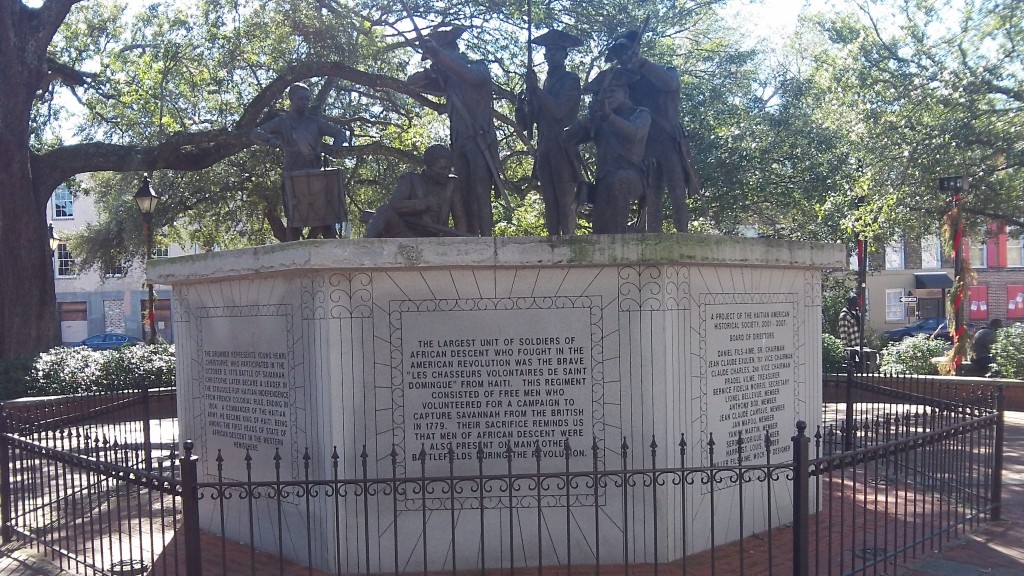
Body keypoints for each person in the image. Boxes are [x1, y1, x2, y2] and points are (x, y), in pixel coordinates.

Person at [408, 27, 503, 236]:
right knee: (465, 193)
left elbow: (471, 76)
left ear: (452, 51)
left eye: (440, 56)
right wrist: (432, 71)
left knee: (480, 192)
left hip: (480, 141)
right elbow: (411, 83)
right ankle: (469, 238)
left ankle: (487, 240)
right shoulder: (448, 79)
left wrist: (440, 56)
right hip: (459, 142)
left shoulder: (478, 68)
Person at [604, 30, 701, 233]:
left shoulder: (663, 71)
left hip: (669, 141)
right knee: (651, 197)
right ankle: (652, 235)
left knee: (677, 192)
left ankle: (683, 234)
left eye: (626, 52)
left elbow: (670, 83)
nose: (623, 59)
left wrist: (642, 63)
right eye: (620, 56)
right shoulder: (626, 85)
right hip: (645, 147)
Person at [251, 83, 349, 241]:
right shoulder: (282, 122)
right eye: (301, 98)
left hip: (316, 178)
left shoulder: (315, 122)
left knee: (327, 222)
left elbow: (340, 133)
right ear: (292, 99)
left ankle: (336, 261)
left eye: (308, 99)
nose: (305, 102)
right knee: (294, 224)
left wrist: (334, 149)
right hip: (293, 177)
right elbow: (255, 133)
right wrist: (274, 142)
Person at [517, 29, 584, 236]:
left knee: (565, 199)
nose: (550, 55)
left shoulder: (570, 80)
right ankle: (553, 241)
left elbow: (559, 110)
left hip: (563, 147)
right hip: (545, 147)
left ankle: (569, 241)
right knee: (549, 199)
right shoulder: (543, 84)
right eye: (547, 51)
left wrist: (536, 90)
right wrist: (522, 105)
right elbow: (528, 124)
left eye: (555, 51)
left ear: (564, 54)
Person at [568, 69, 650, 234]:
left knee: (619, 181)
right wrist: (587, 120)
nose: (608, 97)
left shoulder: (640, 113)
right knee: (600, 228)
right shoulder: (599, 119)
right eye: (604, 95)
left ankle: (623, 232)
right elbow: (567, 138)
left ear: (625, 93)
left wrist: (609, 117)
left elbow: (634, 132)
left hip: (632, 176)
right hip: (604, 179)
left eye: (612, 92)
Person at [365, 145, 466, 238]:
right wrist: (424, 204)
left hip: (437, 238)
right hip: (408, 234)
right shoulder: (410, 179)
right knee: (384, 210)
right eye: (442, 168)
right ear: (428, 166)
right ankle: (364, 246)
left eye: (449, 169)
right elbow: (395, 204)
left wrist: (463, 243)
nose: (446, 172)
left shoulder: (452, 184)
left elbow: (460, 219)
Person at [838, 294, 862, 366]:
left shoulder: (857, 313)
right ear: (852, 302)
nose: (858, 302)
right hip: (852, 347)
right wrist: (847, 349)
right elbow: (843, 333)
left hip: (860, 345)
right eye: (856, 300)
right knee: (852, 368)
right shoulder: (844, 315)